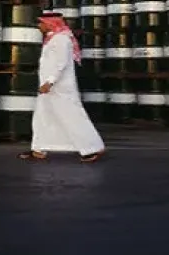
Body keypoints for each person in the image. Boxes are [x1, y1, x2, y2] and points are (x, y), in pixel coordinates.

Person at [19, 12, 106, 163]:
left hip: (60, 87)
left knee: (73, 117)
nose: (39, 26)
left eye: (41, 23)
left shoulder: (61, 39)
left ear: (50, 23)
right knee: (43, 117)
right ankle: (39, 149)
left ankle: (92, 147)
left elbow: (61, 62)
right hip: (48, 88)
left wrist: (50, 82)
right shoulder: (52, 38)